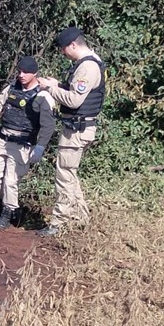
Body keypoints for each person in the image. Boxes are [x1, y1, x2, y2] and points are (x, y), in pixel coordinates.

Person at [36, 26, 106, 237]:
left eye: (63, 49)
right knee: (70, 174)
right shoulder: (90, 63)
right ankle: (80, 219)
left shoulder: (87, 68)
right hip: (80, 128)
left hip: (76, 130)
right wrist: (57, 83)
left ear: (73, 45)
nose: (62, 53)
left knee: (64, 175)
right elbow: (74, 89)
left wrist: (50, 89)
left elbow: (75, 100)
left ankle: (58, 223)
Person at [0, 56, 56, 229]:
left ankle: (7, 213)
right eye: (19, 71)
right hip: (3, 139)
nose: (21, 75)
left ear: (35, 73)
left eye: (26, 72)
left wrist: (40, 147)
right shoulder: (12, 87)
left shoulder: (43, 96)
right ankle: (15, 208)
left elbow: (48, 125)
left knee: (10, 180)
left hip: (23, 144)